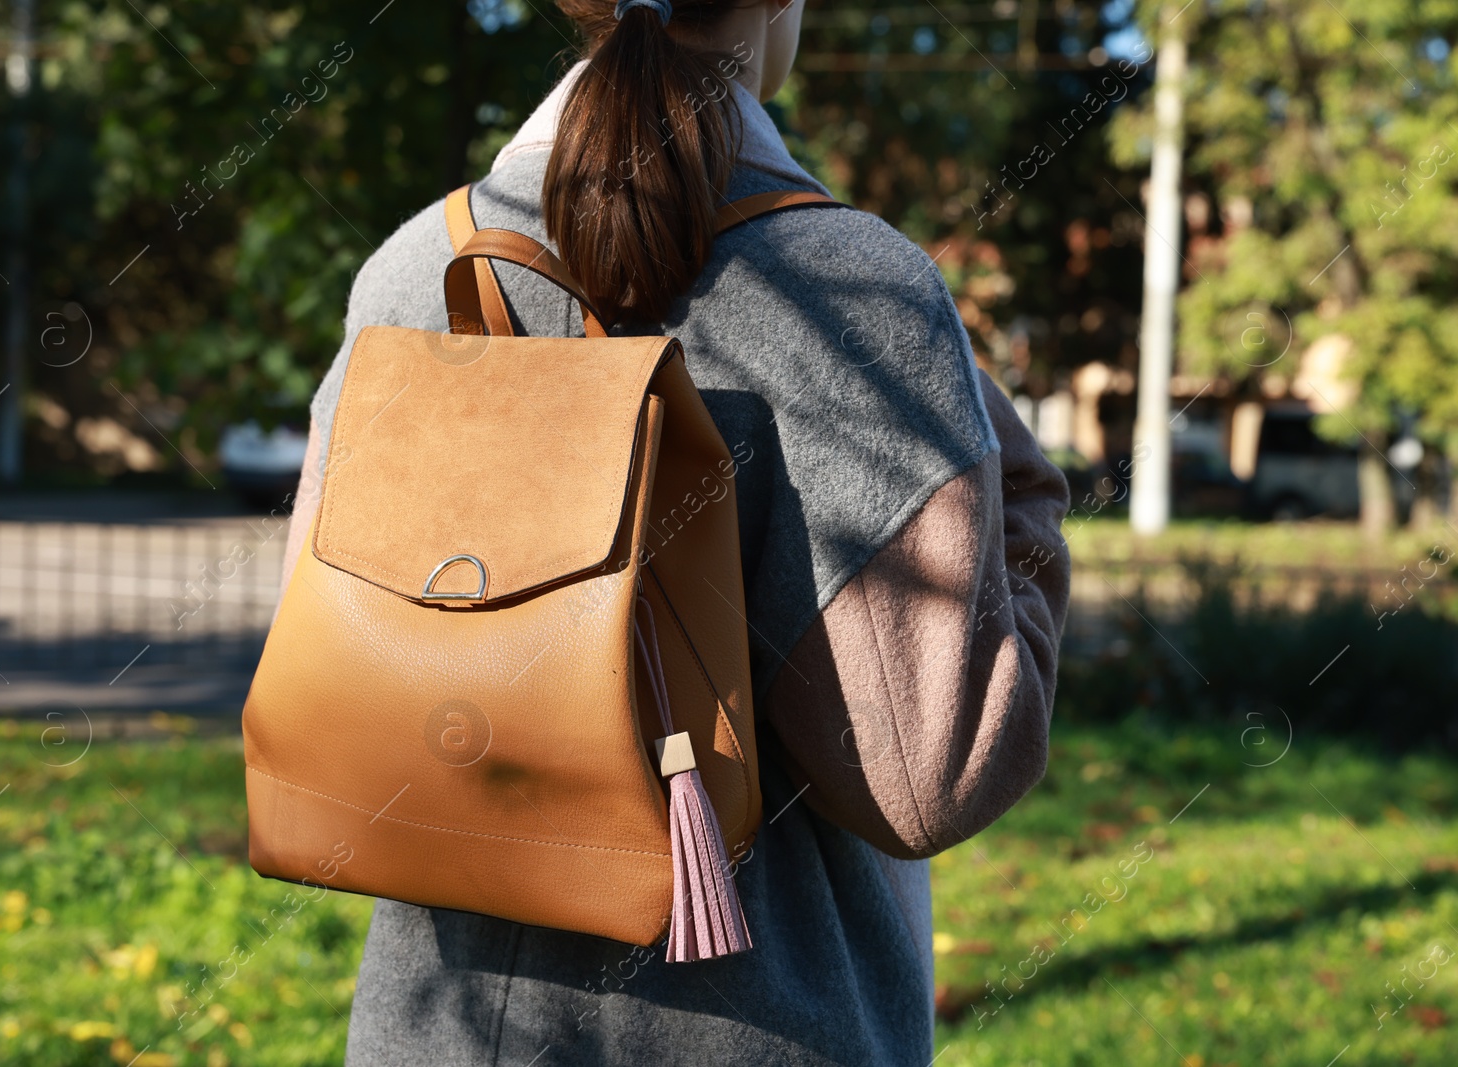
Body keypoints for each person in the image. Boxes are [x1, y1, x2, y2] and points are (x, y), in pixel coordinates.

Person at [280, 0, 1070, 1062]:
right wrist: (1021, 514)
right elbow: (932, 777)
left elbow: (325, 661)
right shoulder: (850, 291)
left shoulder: (409, 270)